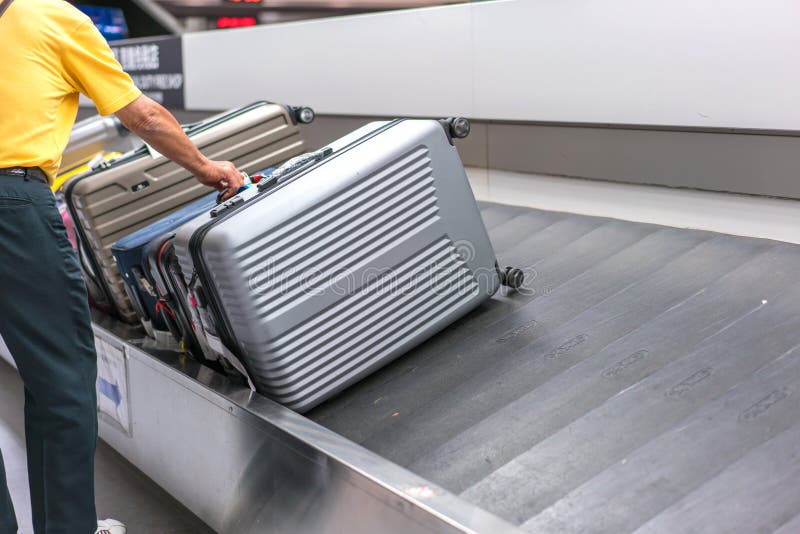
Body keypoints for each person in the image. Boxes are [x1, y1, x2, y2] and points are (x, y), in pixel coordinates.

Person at [0, 0, 245, 532]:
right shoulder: (51, 16)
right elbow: (143, 116)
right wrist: (206, 167)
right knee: (59, 379)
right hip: (12, 210)